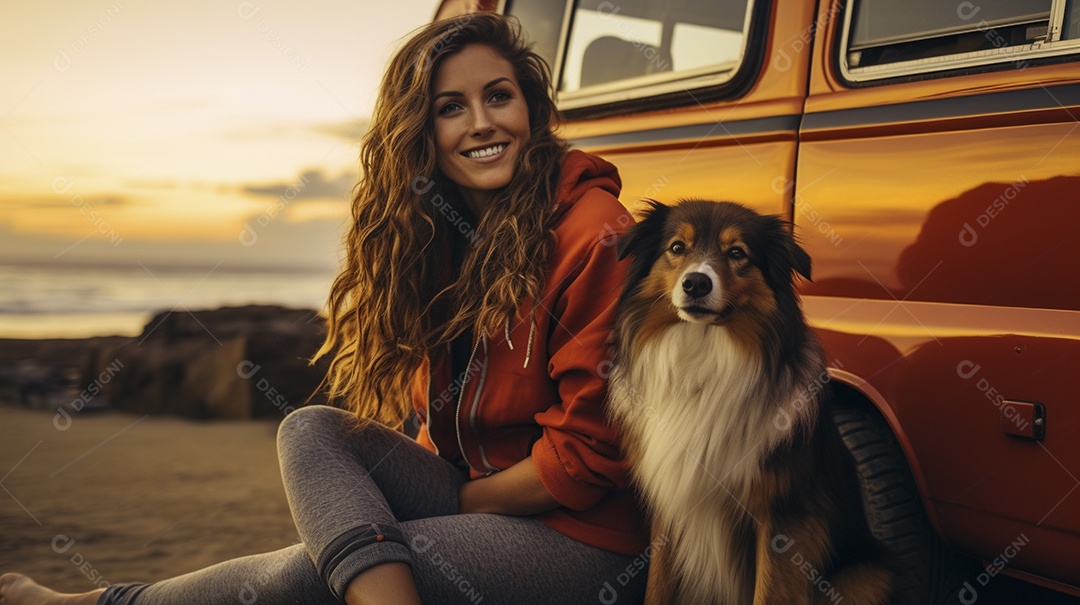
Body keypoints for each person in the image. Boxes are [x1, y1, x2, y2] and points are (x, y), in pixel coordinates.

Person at [0, 12, 647, 605]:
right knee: (308, 430)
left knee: (315, 574)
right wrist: (421, 506)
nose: (482, 122)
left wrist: (450, 508)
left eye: (499, 96)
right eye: (452, 107)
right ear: (422, 133)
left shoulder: (593, 233)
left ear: (532, 110)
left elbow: (589, 457)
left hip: (587, 538)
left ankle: (93, 602)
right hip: (483, 493)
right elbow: (442, 421)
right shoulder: (445, 238)